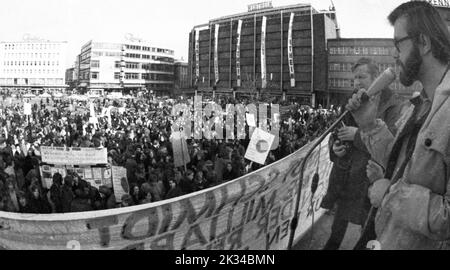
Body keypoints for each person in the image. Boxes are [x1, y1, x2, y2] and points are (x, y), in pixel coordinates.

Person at [347, 1, 450, 250]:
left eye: (397, 45)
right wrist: (370, 125)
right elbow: (401, 165)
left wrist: (392, 195)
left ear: (423, 43)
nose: (395, 55)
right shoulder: (421, 103)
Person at [321, 57, 407, 250]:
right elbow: (337, 131)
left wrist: (358, 135)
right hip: (347, 180)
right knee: (336, 231)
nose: (357, 82)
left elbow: (392, 146)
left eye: (362, 77)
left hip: (372, 182)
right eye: (354, 79)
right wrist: (336, 149)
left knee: (368, 233)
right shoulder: (353, 101)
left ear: (376, 77)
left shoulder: (395, 105)